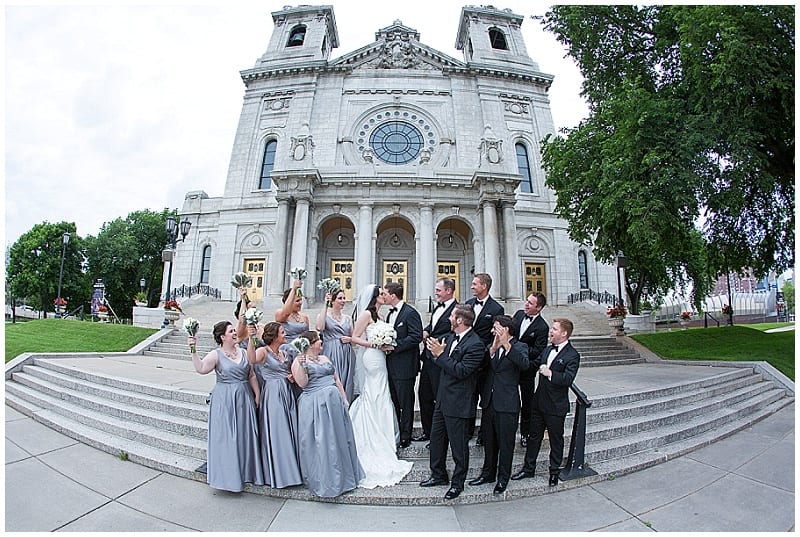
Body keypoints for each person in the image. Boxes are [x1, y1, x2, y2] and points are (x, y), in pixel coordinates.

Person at [346, 284, 413, 488]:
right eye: (381, 293)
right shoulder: (366, 314)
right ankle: (372, 435)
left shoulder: (381, 316)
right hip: (372, 358)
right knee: (374, 393)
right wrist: (374, 344)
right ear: (375, 297)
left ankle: (383, 434)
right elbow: (355, 338)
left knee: (383, 394)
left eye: (385, 293)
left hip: (382, 358)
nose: (384, 296)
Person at [188, 321, 264, 492]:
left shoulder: (244, 352)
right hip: (225, 400)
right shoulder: (216, 355)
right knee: (228, 438)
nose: (235, 333)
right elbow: (201, 368)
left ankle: (246, 472)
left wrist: (257, 394)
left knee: (245, 435)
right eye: (231, 331)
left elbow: (251, 375)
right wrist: (193, 349)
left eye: (234, 330)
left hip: (244, 398)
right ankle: (228, 477)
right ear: (222, 337)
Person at [420, 304, 485, 501]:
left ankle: (458, 483)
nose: (448, 319)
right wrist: (436, 353)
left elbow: (462, 371)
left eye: (452, 317)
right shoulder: (448, 338)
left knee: (458, 447)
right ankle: (438, 474)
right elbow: (435, 359)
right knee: (437, 440)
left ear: (460, 320)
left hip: (458, 402)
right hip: (442, 398)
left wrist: (441, 355)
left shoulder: (476, 345)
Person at [292, 330, 364, 498]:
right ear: (309, 344)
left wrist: (344, 398)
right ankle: (327, 481)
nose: (321, 343)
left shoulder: (325, 358)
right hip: (316, 405)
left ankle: (346, 477)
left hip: (334, 404)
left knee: (339, 439)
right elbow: (302, 383)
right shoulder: (299, 361)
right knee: (324, 442)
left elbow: (336, 379)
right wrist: (302, 365)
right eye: (318, 341)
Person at [511, 318, 580, 487]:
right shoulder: (548, 350)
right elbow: (532, 365)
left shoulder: (572, 355)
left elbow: (568, 378)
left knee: (556, 440)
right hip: (539, 402)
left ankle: (554, 471)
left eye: (555, 329)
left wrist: (550, 374)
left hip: (556, 406)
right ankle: (528, 468)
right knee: (534, 437)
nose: (551, 331)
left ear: (564, 333)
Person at [469, 315, 529, 494]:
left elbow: (524, 364)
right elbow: (482, 366)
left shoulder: (520, 346)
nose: (492, 331)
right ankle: (487, 473)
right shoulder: (491, 347)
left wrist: (507, 344)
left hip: (507, 404)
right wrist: (494, 347)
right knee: (489, 441)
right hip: (489, 402)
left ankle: (503, 478)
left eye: (495, 327)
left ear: (506, 329)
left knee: (506, 443)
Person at [245, 322, 303, 489]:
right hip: (273, 394)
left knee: (289, 428)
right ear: (274, 336)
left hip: (287, 391)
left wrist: (291, 375)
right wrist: (251, 338)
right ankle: (281, 474)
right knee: (278, 431)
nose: (285, 335)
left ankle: (292, 470)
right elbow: (251, 359)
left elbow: (291, 368)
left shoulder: (284, 351)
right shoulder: (263, 351)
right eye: (282, 332)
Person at [380, 282, 423, 448]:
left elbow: (416, 336)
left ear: (393, 295)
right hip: (389, 365)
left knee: (406, 401)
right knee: (394, 401)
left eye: (385, 293)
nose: (383, 296)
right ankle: (396, 430)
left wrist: (395, 345)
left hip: (405, 366)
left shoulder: (410, 313)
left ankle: (406, 434)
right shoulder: (389, 315)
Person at [415, 277, 457, 444]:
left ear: (448, 291)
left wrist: (437, 341)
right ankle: (427, 431)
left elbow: (454, 332)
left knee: (439, 397)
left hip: (441, 358)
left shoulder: (458, 309)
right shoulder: (437, 307)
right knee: (424, 394)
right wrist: (426, 331)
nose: (435, 292)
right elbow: (434, 326)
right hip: (428, 358)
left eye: (438, 290)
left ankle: (440, 436)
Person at [464, 273, 504, 445]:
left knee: (485, 399)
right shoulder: (467, 304)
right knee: (468, 396)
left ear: (484, 286)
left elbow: (495, 336)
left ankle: (484, 433)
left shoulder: (496, 309)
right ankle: (468, 430)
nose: (472, 286)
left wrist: (485, 353)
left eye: (475, 284)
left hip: (485, 362)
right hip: (467, 361)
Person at [511, 292, 549, 447]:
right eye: (526, 301)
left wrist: (519, 351)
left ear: (538, 308)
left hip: (527, 370)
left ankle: (525, 433)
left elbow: (538, 350)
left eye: (530, 303)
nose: (526, 305)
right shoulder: (519, 315)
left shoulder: (542, 327)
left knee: (527, 402)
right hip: (510, 367)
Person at [315, 288, 356, 402]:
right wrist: (325, 305)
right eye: (340, 298)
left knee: (346, 380)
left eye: (344, 298)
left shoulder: (348, 318)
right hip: (331, 351)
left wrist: (350, 339)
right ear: (332, 301)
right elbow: (319, 328)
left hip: (346, 353)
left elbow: (354, 340)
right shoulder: (324, 315)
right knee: (333, 379)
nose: (343, 301)